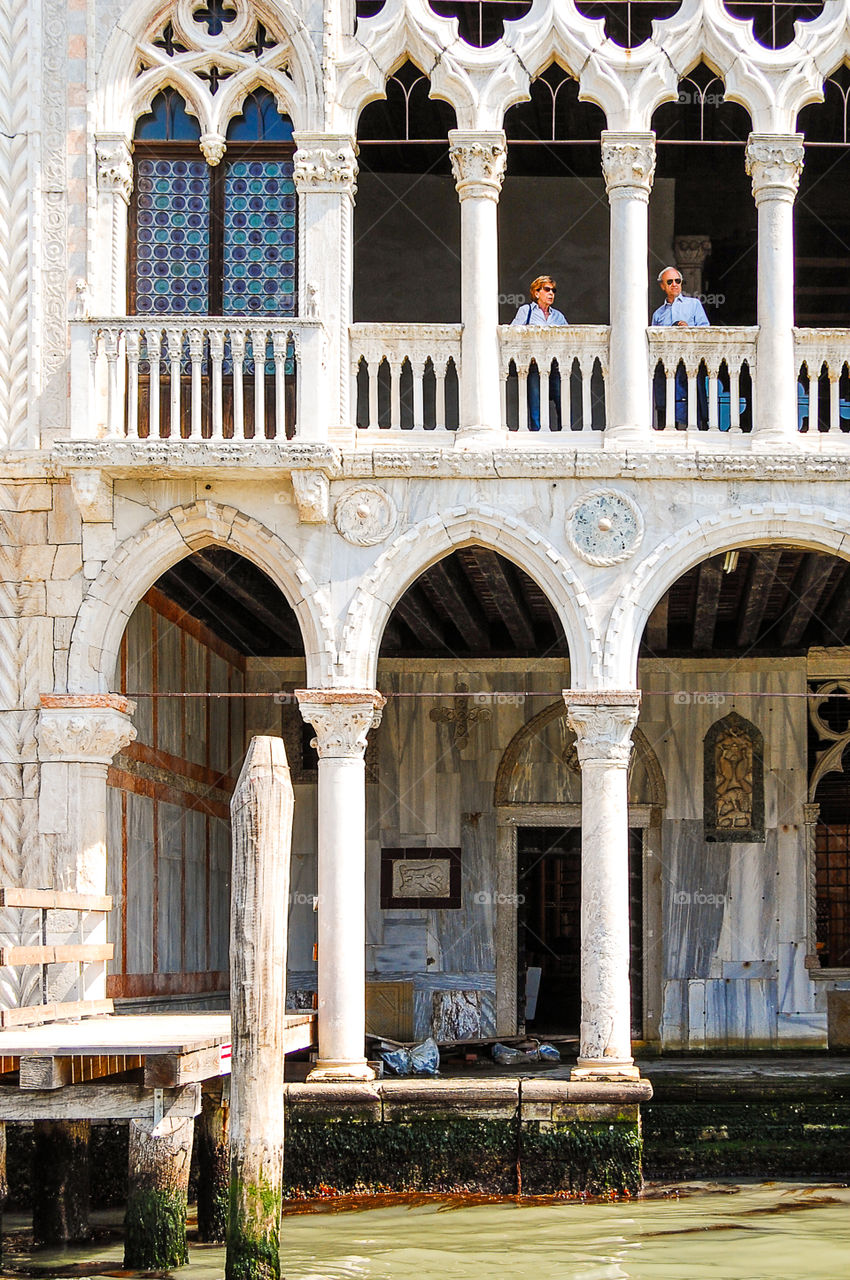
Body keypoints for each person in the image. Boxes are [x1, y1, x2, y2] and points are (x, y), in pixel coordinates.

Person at [651, 266, 709, 428]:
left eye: (678, 281)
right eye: (670, 282)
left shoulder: (694, 304)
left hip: (690, 363)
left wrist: (688, 327)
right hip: (668, 366)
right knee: (667, 401)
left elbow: (706, 330)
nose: (675, 284)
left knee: (693, 400)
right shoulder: (658, 314)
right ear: (663, 286)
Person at [511, 275, 567, 430]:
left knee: (561, 400)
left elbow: (569, 338)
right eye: (547, 289)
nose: (551, 293)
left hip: (555, 365)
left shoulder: (558, 316)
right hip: (534, 364)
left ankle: (564, 431)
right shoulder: (526, 311)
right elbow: (513, 333)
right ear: (536, 293)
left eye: (553, 290)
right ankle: (537, 432)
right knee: (535, 403)